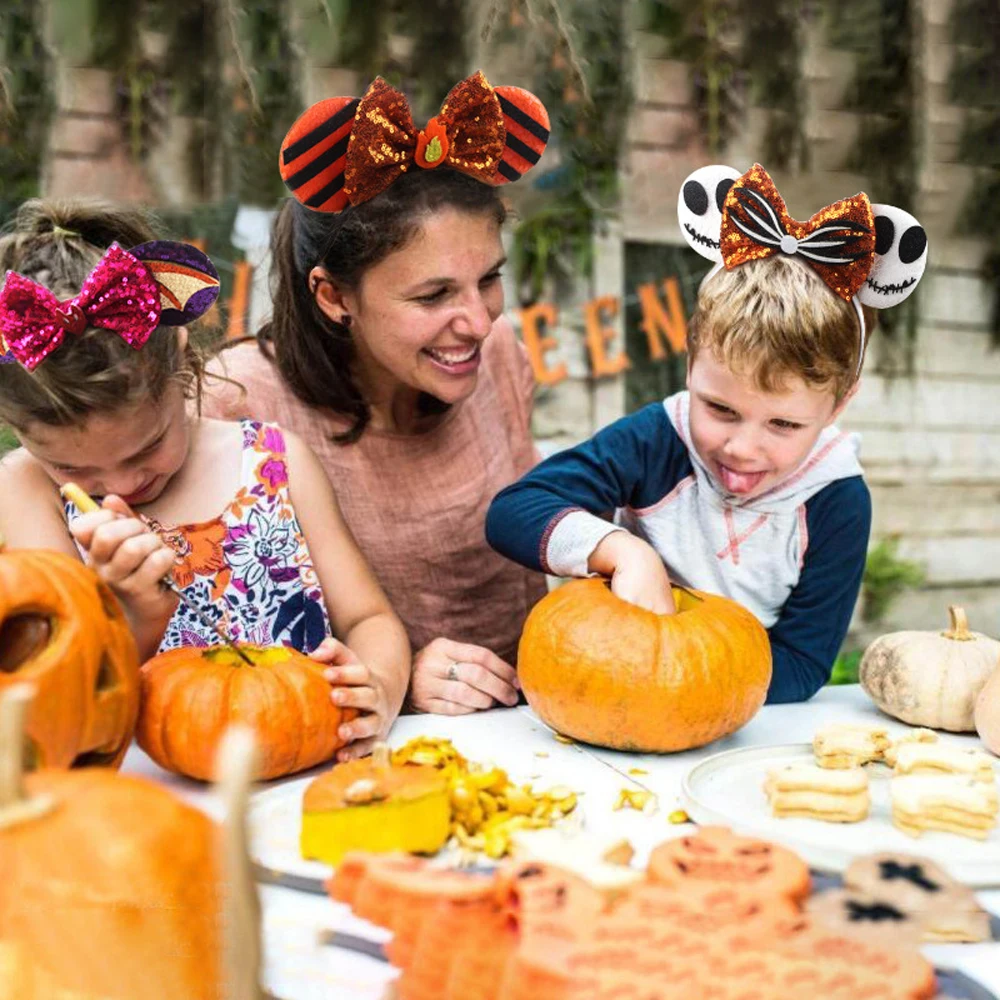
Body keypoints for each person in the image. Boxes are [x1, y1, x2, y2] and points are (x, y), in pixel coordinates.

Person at [486, 163, 929, 703]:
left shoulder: (837, 499)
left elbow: (802, 663)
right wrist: (623, 550)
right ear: (690, 365)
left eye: (784, 424)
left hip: (730, 715)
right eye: (719, 408)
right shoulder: (658, 440)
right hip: (612, 681)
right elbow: (515, 510)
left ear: (840, 403)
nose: (742, 448)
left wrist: (686, 686)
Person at [0, 199, 410, 759]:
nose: (119, 485)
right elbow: (58, 701)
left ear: (184, 365)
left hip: (307, 772)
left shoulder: (272, 463)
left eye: (147, 446)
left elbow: (369, 618)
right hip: (143, 806)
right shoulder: (25, 494)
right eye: (72, 469)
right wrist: (134, 611)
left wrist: (379, 688)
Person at [204, 71, 552, 715]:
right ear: (334, 296)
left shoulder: (499, 354)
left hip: (543, 723)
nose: (479, 321)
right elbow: (216, 659)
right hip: (373, 751)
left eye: (489, 279)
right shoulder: (238, 407)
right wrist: (395, 681)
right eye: (434, 295)